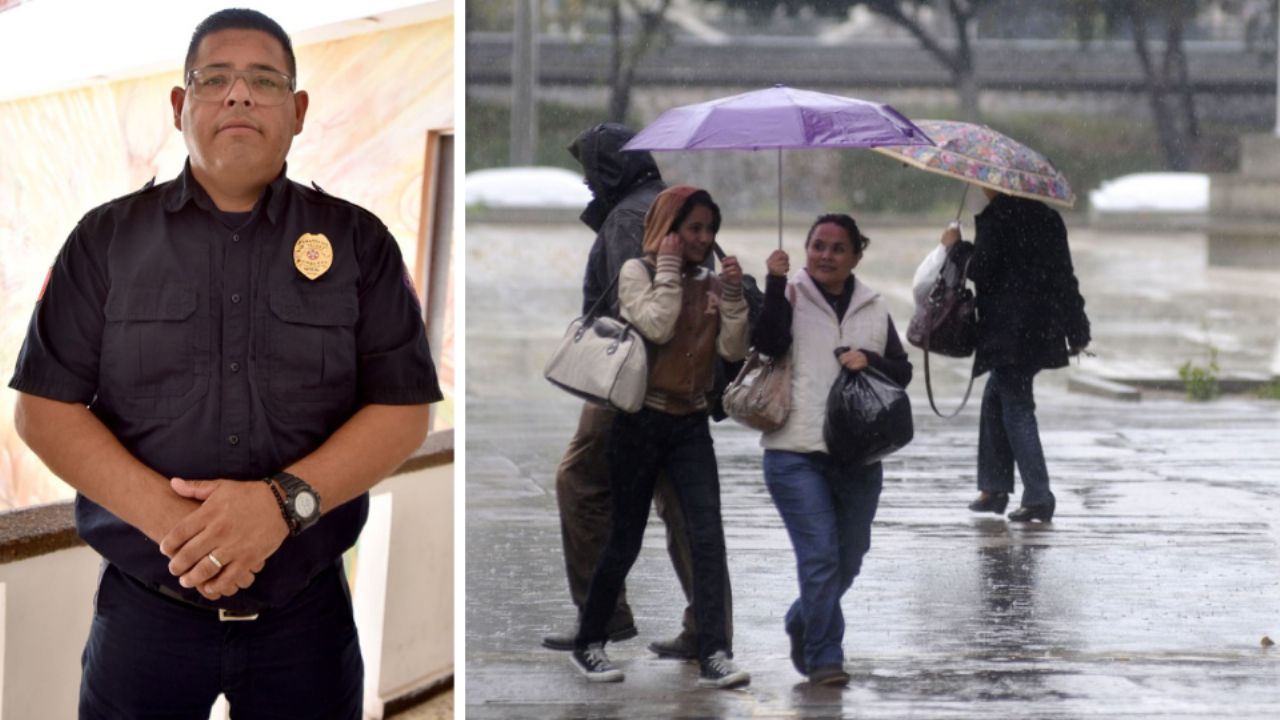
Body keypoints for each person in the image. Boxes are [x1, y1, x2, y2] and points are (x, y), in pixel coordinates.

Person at [9, 9, 441, 717]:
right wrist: (181, 530)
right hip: (145, 618)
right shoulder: (104, 241)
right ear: (181, 107)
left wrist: (281, 507)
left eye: (264, 80)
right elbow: (44, 408)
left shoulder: (358, 243)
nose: (238, 95)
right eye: (215, 79)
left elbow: (403, 408)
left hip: (306, 621)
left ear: (298, 112)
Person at [543, 123, 732, 661]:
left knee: (584, 483)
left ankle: (603, 617)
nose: (585, 183)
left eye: (589, 170)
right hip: (672, 384)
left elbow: (645, 314)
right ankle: (706, 630)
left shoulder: (632, 216)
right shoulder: (660, 203)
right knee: (685, 512)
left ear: (607, 169)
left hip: (637, 383)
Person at [571, 186, 750, 689]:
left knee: (708, 539)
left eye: (709, 230)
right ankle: (590, 641)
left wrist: (732, 297)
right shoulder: (638, 272)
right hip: (639, 422)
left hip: (691, 425)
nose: (703, 239)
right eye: (692, 228)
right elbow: (656, 327)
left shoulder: (713, 283)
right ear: (667, 229)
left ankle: (715, 651)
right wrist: (669, 272)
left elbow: (733, 351)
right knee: (624, 539)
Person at [751, 214, 913, 686]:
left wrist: (872, 361)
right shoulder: (788, 294)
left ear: (856, 256)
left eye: (838, 248)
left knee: (851, 554)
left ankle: (802, 619)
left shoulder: (873, 307)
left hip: (858, 457)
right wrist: (775, 280)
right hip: (794, 451)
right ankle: (825, 656)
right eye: (818, 246)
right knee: (820, 556)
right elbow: (766, 344)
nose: (826, 255)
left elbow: (900, 373)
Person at [940, 187, 1090, 522]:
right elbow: (1065, 276)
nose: (983, 187)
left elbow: (982, 268)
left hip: (1009, 333)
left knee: (1017, 406)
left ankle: (1038, 496)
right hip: (1040, 330)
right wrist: (1077, 329)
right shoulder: (1048, 218)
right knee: (997, 395)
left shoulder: (997, 218)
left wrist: (956, 247)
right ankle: (994, 489)